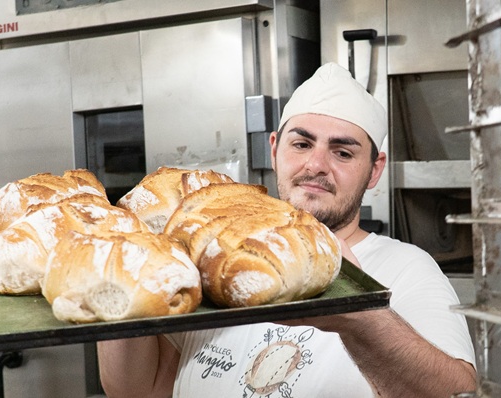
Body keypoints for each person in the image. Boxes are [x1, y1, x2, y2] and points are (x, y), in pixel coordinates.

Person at [97, 62, 476, 398]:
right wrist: (123, 268)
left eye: (342, 152)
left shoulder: (406, 269)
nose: (316, 164)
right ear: (275, 148)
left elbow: (458, 393)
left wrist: (358, 316)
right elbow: (139, 389)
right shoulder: (210, 260)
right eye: (302, 143)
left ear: (375, 169)